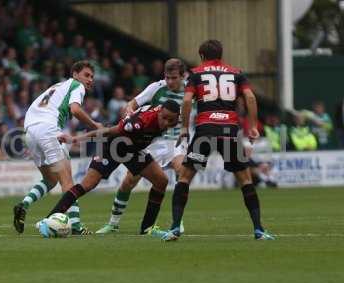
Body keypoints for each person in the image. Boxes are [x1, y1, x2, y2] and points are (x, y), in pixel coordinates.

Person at [161, 40, 275, 241]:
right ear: (220, 55)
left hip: (205, 129)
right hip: (229, 130)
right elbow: (250, 98)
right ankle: (258, 229)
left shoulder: (196, 74)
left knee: (185, 178)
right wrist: (254, 125)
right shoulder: (236, 73)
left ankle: (175, 228)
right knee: (246, 180)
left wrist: (185, 128)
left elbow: (187, 101)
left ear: (202, 55)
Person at [38, 100, 180, 237]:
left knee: (161, 181)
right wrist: (75, 139)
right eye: (164, 118)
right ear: (159, 112)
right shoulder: (138, 123)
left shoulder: (168, 117)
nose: (166, 123)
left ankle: (147, 228)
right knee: (88, 184)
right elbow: (108, 131)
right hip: (112, 145)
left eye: (171, 121)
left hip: (133, 150)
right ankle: (47, 220)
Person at [96, 58, 186, 234]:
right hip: (153, 142)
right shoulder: (156, 88)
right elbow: (132, 104)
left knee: (182, 173)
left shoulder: (191, 91)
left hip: (176, 143)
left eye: (174, 78)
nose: (170, 81)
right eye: (167, 77)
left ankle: (177, 221)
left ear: (182, 76)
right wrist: (129, 113)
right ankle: (113, 223)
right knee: (129, 181)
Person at [13, 60, 103, 235]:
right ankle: (76, 227)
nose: (90, 79)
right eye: (87, 75)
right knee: (67, 182)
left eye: (92, 76)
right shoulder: (77, 86)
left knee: (50, 180)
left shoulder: (58, 86)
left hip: (30, 132)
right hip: (48, 129)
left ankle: (24, 204)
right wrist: (94, 125)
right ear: (75, 74)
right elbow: (75, 110)